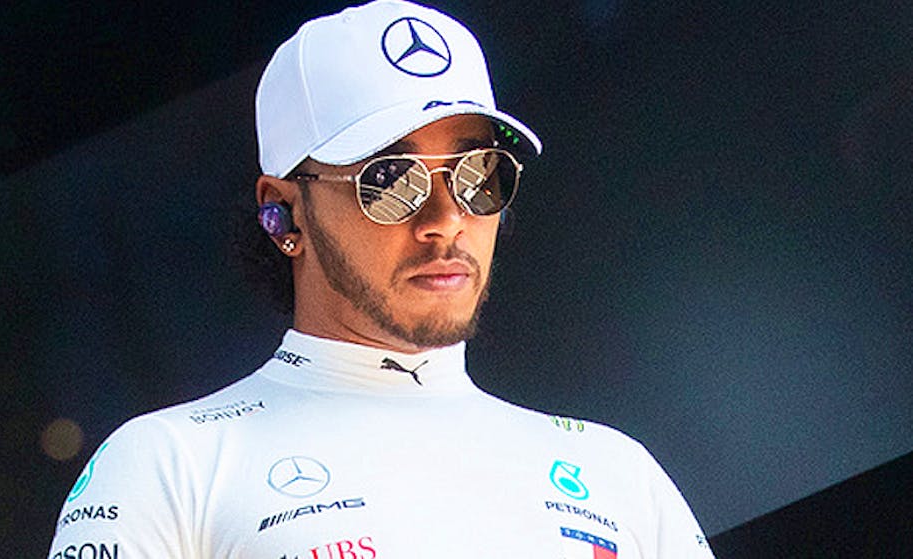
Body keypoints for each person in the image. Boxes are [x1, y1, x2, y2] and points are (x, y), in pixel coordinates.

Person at [48, 1, 715, 557]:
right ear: (283, 212)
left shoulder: (618, 474)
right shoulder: (168, 467)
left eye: (479, 175)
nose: (446, 219)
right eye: (390, 181)